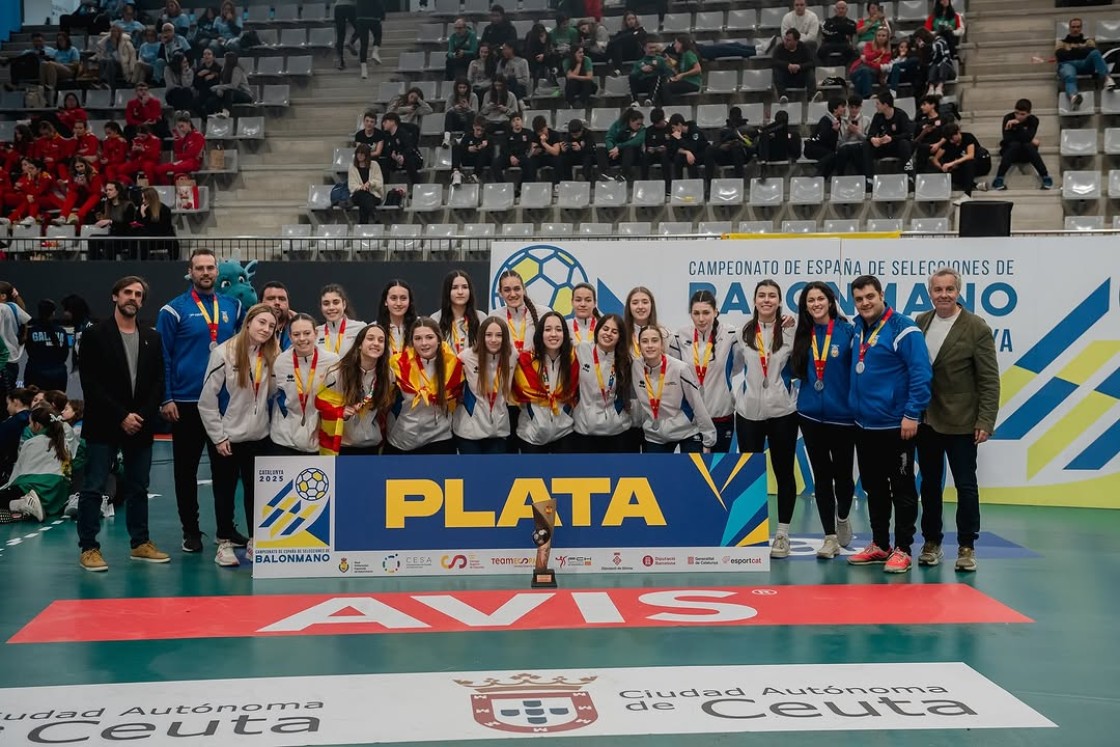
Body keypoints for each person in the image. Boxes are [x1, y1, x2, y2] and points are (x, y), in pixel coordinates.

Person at [75, 275, 168, 572]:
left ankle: (140, 543)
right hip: (104, 423)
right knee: (93, 487)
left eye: (139, 294)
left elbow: (157, 382)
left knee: (138, 487)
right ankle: (89, 548)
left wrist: (140, 415)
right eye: (128, 292)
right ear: (115, 296)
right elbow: (90, 383)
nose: (133, 298)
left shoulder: (152, 337)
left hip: (139, 423)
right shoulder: (94, 335)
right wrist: (121, 416)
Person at [156, 248, 244, 553]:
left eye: (210, 267)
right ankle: (191, 531)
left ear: (217, 272)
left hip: (224, 404)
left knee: (226, 472)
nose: (205, 273)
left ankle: (226, 529)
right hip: (186, 402)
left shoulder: (233, 307)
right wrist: (167, 396)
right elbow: (163, 356)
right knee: (186, 471)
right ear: (190, 272)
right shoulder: (173, 310)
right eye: (199, 268)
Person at [846, 275, 932, 573]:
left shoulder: (904, 328)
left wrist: (911, 414)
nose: (865, 303)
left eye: (870, 296)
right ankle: (880, 544)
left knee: (903, 488)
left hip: (896, 426)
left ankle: (904, 548)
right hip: (864, 425)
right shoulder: (857, 327)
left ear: (881, 295)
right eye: (859, 299)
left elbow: (921, 374)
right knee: (873, 487)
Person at [915, 268, 999, 572]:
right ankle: (931, 542)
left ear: (958, 291)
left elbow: (989, 380)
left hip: (963, 422)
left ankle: (966, 546)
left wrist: (985, 420)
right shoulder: (920, 322)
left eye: (949, 289)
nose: (944, 295)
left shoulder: (976, 327)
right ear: (930, 293)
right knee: (929, 486)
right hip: (927, 420)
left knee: (966, 486)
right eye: (938, 290)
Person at [199, 303, 278, 567]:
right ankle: (224, 542)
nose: (266, 329)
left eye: (271, 326)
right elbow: (207, 401)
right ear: (248, 322)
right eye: (261, 323)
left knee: (257, 492)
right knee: (225, 491)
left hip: (259, 436)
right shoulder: (224, 353)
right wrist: (219, 437)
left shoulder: (271, 355)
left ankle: (256, 539)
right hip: (228, 438)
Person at [790, 281, 856, 558]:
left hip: (842, 417)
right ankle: (829, 536)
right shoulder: (801, 334)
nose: (815, 304)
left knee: (843, 476)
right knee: (821, 476)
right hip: (809, 415)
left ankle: (842, 516)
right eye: (810, 300)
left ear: (830, 301)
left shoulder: (848, 332)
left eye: (820, 299)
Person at [734, 280, 799, 558]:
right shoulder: (742, 332)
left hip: (782, 412)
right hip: (749, 413)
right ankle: (750, 534)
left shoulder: (792, 330)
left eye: (772, 295)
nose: (767, 300)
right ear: (755, 300)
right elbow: (732, 369)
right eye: (762, 295)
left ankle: (782, 534)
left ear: (780, 300)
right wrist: (738, 396)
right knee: (749, 474)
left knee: (784, 473)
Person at [671, 290, 739, 453]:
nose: (701, 319)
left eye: (706, 313)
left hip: (721, 417)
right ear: (691, 314)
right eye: (696, 313)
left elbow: (738, 365)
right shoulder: (679, 337)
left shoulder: (731, 335)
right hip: (692, 420)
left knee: (719, 474)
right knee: (693, 473)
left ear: (716, 312)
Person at [633, 325, 715, 453]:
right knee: (656, 473)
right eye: (644, 341)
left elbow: (697, 403)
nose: (649, 345)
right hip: (655, 434)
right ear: (639, 346)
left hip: (686, 431)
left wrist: (708, 439)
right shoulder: (635, 367)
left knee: (691, 471)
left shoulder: (680, 368)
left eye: (654, 340)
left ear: (662, 345)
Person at [388, 318, 463, 455]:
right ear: (412, 342)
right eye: (418, 338)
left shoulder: (453, 365)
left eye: (429, 337)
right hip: (403, 439)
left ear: (439, 339)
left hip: (440, 438)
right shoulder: (398, 364)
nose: (424, 343)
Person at [318, 324, 393, 456]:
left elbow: (385, 407)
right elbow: (321, 406)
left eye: (381, 340)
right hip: (342, 448)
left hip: (372, 447)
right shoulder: (336, 374)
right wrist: (340, 412)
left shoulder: (388, 375)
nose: (376, 343)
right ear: (359, 344)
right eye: (370, 338)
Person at [270, 313, 339, 456]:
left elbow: (338, 397)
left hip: (319, 439)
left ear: (315, 333)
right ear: (290, 337)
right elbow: (273, 393)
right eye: (296, 334)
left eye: (307, 333)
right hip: (285, 439)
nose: (302, 339)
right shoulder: (280, 362)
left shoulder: (332, 361)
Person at [513, 311, 578, 454]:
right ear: (540, 333)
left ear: (565, 334)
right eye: (548, 329)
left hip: (565, 434)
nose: (553, 334)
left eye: (558, 329)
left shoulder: (574, 361)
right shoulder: (524, 361)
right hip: (530, 436)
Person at [0, 405, 72, 525]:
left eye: (30, 423)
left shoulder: (31, 443)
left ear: (37, 425)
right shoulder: (64, 444)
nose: (28, 426)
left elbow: (17, 474)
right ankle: (24, 507)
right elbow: (67, 474)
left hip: (34, 490)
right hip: (57, 496)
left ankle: (23, 504)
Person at [573, 313, 633, 453]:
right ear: (598, 330)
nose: (608, 334)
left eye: (614, 331)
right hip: (584, 430)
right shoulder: (581, 350)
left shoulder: (624, 361)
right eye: (605, 329)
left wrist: (618, 416)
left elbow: (628, 394)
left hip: (615, 431)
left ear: (620, 337)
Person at [454, 317, 515, 454]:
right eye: (488, 335)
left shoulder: (512, 356)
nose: (494, 340)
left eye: (499, 335)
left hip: (498, 431)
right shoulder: (466, 357)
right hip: (469, 431)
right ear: (481, 336)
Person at [991, 99, 1052, 190]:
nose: (1018, 116)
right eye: (1016, 113)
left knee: (1027, 145)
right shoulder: (1008, 118)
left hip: (1026, 153)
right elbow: (1007, 139)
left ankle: (1045, 176)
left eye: (1022, 114)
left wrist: (1018, 125)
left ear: (1029, 114)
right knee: (1015, 145)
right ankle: (999, 178)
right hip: (1010, 152)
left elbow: (1028, 138)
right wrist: (1030, 139)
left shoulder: (1033, 120)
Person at [1056, 17, 1115, 110]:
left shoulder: (1089, 41)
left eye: (1078, 27)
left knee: (1095, 54)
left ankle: (1107, 79)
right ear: (1069, 28)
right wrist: (1082, 51)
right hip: (1068, 65)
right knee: (1069, 75)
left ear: (1081, 28)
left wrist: (1071, 51)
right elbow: (1060, 55)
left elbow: (1093, 51)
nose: (1075, 29)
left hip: (1085, 64)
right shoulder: (1061, 42)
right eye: (1073, 27)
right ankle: (1073, 97)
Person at [862, 91, 912, 186]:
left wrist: (892, 138)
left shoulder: (901, 115)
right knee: (866, 144)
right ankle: (869, 179)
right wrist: (873, 139)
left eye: (878, 104)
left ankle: (910, 176)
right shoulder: (877, 116)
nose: (876, 106)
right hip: (882, 147)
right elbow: (870, 134)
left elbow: (907, 134)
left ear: (885, 105)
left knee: (904, 144)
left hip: (896, 147)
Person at [431, 269, 486, 355]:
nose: (460, 292)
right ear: (447, 291)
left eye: (464, 287)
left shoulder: (481, 318)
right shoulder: (435, 319)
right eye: (454, 288)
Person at [22, 300, 72, 392]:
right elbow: (65, 354)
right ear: (53, 313)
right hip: (58, 375)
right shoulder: (61, 332)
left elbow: (30, 351)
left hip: (35, 373)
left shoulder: (31, 332)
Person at [931, 123, 987, 199]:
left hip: (978, 164)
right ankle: (975, 185)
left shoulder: (968, 137)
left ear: (958, 132)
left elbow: (970, 155)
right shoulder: (948, 142)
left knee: (969, 163)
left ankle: (968, 193)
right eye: (949, 139)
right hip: (961, 168)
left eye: (952, 138)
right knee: (946, 172)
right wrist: (941, 167)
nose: (951, 141)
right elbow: (935, 159)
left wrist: (953, 163)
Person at [90, 180, 136, 260]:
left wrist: (110, 221)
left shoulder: (128, 205)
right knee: (93, 238)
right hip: (112, 236)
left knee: (109, 242)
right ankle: (95, 264)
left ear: (117, 191)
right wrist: (101, 220)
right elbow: (104, 221)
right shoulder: (107, 205)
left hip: (125, 237)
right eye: (106, 190)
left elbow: (128, 225)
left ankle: (110, 267)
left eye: (110, 190)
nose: (107, 192)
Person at [0, 283, 31, 401]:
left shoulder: (2, 308)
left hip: (3, 364)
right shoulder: (14, 307)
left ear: (3, 296)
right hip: (12, 364)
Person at [155, 114, 205, 185]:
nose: (181, 129)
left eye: (182, 126)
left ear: (188, 124)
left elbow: (193, 154)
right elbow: (177, 152)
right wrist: (178, 139)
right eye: (179, 127)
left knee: (177, 168)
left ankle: (176, 187)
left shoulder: (198, 135)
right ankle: (168, 187)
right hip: (183, 161)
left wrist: (180, 156)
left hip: (194, 162)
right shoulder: (184, 136)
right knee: (159, 169)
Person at [54, 157, 103, 226]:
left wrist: (86, 185)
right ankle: (63, 217)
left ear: (85, 165)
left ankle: (78, 216)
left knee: (96, 196)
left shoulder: (94, 173)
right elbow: (71, 189)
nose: (80, 169)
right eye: (77, 167)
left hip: (91, 197)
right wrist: (77, 184)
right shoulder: (72, 174)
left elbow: (96, 192)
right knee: (72, 193)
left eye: (81, 166)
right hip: (79, 198)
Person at [317, 284, 364, 356]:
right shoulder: (316, 332)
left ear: (344, 304)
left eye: (336, 302)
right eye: (326, 304)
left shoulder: (360, 328)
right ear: (321, 307)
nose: (331, 307)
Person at [805, 96, 845, 178]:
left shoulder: (837, 120)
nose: (845, 109)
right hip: (813, 148)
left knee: (835, 157)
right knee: (833, 155)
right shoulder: (825, 120)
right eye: (842, 107)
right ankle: (816, 169)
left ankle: (822, 177)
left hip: (825, 149)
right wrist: (833, 130)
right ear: (835, 109)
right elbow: (821, 138)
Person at [772, 28, 816, 103]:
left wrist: (799, 66)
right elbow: (774, 61)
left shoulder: (803, 47)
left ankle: (811, 97)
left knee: (810, 71)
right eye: (785, 39)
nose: (785, 42)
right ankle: (783, 96)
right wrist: (787, 65)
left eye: (788, 40)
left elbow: (812, 63)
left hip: (800, 77)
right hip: (786, 78)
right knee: (776, 71)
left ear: (796, 41)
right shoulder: (780, 48)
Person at [379, 113, 423, 186]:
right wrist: (392, 155)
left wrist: (403, 156)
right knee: (384, 162)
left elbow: (410, 148)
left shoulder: (402, 133)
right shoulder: (388, 137)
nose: (383, 124)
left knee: (409, 160)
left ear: (393, 122)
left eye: (385, 122)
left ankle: (416, 186)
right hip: (397, 160)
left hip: (413, 158)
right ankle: (384, 187)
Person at [603, 108, 646, 183]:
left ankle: (623, 174)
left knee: (629, 148)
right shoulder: (618, 125)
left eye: (640, 124)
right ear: (631, 121)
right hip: (616, 153)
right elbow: (609, 137)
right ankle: (606, 173)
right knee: (600, 150)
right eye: (637, 124)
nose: (639, 126)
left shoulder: (642, 129)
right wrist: (611, 149)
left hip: (632, 155)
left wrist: (618, 147)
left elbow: (636, 142)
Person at [849, 25, 891, 99]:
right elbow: (867, 56)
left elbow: (880, 67)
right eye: (879, 35)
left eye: (883, 36)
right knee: (864, 71)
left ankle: (858, 99)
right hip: (857, 70)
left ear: (887, 38)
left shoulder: (888, 53)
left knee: (861, 79)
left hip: (873, 74)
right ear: (875, 36)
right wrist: (878, 52)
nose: (881, 37)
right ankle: (868, 95)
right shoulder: (868, 45)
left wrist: (868, 62)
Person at [134, 186, 178, 259]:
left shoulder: (164, 209)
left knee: (173, 242)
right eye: (142, 198)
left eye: (145, 198)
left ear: (151, 198)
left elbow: (162, 228)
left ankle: (174, 263)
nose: (143, 201)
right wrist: (142, 214)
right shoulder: (142, 208)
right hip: (148, 238)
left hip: (161, 238)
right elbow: (140, 225)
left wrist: (144, 216)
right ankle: (143, 263)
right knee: (143, 239)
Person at [377, 280, 417, 357]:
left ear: (409, 302)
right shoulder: (375, 328)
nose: (398, 303)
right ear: (385, 301)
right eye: (393, 298)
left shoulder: (420, 326)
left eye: (403, 298)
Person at [205, 52, 253, 116]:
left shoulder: (237, 69)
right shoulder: (224, 70)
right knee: (212, 100)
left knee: (228, 92)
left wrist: (219, 87)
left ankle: (226, 112)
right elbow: (222, 83)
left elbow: (234, 86)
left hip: (244, 94)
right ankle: (213, 114)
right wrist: (219, 90)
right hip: (229, 94)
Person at [494, 112, 535, 185]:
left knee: (530, 163)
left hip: (522, 157)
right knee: (496, 163)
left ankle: (521, 188)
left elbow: (532, 146)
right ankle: (502, 185)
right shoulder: (507, 134)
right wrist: (511, 156)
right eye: (513, 121)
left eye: (518, 119)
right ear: (511, 124)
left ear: (522, 121)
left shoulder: (528, 132)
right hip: (508, 157)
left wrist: (527, 155)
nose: (516, 122)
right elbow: (503, 148)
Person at [348, 143, 384, 225]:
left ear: (367, 155)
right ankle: (373, 214)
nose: (359, 155)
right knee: (362, 194)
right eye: (358, 153)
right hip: (357, 194)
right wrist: (362, 187)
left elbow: (379, 183)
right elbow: (351, 186)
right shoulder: (352, 167)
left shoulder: (375, 165)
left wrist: (370, 183)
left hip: (373, 195)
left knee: (364, 200)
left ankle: (362, 224)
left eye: (362, 153)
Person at [39, 32, 82, 101]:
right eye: (58, 40)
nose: (60, 42)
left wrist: (61, 65)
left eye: (61, 40)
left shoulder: (73, 50)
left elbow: (76, 65)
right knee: (43, 63)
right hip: (57, 70)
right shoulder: (57, 52)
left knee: (51, 64)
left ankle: (51, 88)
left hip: (69, 70)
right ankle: (42, 87)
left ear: (66, 40)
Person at [450, 117, 492, 187]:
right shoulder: (468, 136)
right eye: (477, 130)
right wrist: (468, 149)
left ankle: (475, 176)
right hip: (468, 158)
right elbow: (462, 147)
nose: (479, 133)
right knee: (456, 147)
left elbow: (491, 154)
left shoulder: (487, 137)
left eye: (482, 131)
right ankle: (456, 172)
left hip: (480, 161)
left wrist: (484, 147)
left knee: (484, 151)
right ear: (473, 127)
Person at [667, 112, 708, 181]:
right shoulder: (676, 134)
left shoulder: (695, 131)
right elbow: (674, 148)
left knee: (690, 159)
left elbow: (693, 148)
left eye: (674, 127)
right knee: (678, 158)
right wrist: (686, 152)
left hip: (700, 153)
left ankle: (694, 183)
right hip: (687, 154)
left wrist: (680, 139)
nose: (673, 130)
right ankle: (678, 183)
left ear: (679, 124)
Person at [96, 25, 139, 89]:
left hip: (122, 64)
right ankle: (103, 83)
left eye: (115, 31)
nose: (113, 33)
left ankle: (105, 81)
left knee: (110, 61)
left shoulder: (126, 43)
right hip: (108, 62)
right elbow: (101, 53)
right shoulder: (106, 42)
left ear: (119, 32)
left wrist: (132, 68)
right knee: (102, 61)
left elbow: (132, 55)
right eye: (112, 31)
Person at [629, 38, 669, 106]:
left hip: (654, 85)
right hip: (642, 84)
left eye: (654, 48)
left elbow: (667, 73)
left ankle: (650, 99)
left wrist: (659, 66)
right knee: (631, 77)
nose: (652, 50)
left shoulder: (660, 60)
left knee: (656, 77)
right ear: (644, 49)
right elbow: (633, 74)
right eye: (650, 48)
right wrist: (641, 70)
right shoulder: (638, 62)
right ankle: (635, 101)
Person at [442, 78, 479, 149]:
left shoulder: (473, 96)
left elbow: (476, 113)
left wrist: (468, 108)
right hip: (456, 121)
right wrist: (454, 108)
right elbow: (446, 111)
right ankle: (446, 139)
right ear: (457, 88)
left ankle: (463, 139)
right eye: (460, 87)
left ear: (468, 88)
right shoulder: (451, 96)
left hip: (468, 122)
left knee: (471, 114)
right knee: (449, 114)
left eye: (464, 87)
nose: (462, 90)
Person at [607, 10, 647, 75]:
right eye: (629, 19)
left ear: (636, 20)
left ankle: (618, 69)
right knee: (616, 45)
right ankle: (617, 68)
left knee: (617, 43)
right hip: (623, 54)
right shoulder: (620, 33)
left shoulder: (641, 31)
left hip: (635, 53)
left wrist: (625, 38)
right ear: (625, 21)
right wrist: (629, 36)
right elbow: (611, 42)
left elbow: (635, 38)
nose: (631, 21)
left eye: (633, 19)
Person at [819, 0, 857, 67]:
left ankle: (847, 71)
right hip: (829, 44)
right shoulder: (827, 21)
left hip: (844, 44)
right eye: (838, 8)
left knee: (854, 54)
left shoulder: (851, 23)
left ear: (846, 10)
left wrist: (834, 29)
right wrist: (843, 33)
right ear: (835, 10)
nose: (840, 10)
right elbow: (825, 32)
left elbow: (852, 29)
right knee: (820, 51)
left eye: (843, 8)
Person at [261, 281, 295, 351]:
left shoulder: (300, 328)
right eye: (271, 298)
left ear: (288, 304)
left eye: (282, 299)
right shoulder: (250, 329)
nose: (277, 302)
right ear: (260, 303)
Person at [355, 0, 385, 77]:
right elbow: (379, 3)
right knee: (378, 35)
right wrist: (382, 15)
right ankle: (375, 52)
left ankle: (364, 70)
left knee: (364, 43)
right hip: (373, 17)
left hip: (361, 17)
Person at [445, 16, 478, 81]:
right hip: (457, 57)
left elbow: (474, 51)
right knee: (449, 61)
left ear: (465, 28)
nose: (457, 31)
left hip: (468, 57)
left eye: (460, 28)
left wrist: (464, 52)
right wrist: (454, 55)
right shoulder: (453, 37)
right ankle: (449, 80)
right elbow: (449, 52)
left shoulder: (472, 35)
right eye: (456, 28)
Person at [925, 28, 956, 96]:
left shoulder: (943, 44)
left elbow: (946, 59)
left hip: (948, 70)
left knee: (943, 64)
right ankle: (931, 87)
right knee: (934, 66)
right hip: (936, 70)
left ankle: (940, 86)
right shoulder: (934, 44)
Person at [334, 0, 358, 70]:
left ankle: (340, 62)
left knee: (340, 35)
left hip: (338, 6)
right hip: (350, 6)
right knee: (360, 28)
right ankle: (351, 42)